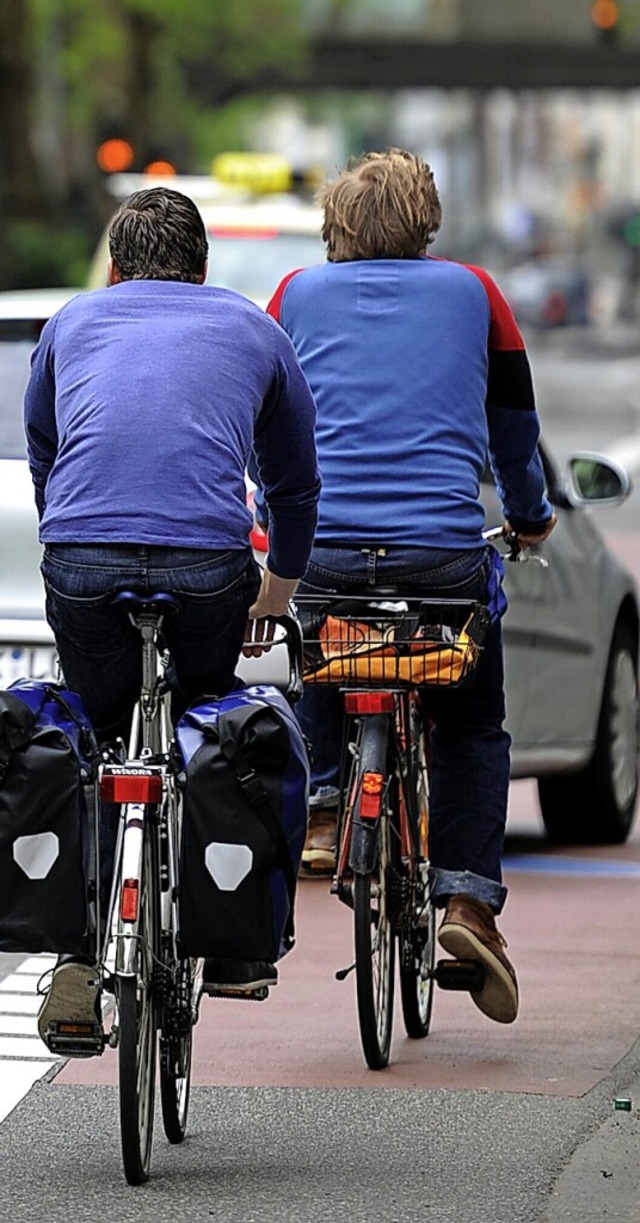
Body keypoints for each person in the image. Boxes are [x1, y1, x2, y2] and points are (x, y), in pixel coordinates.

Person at [265, 148, 556, 1026]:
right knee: (473, 719)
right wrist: (532, 515)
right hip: (442, 561)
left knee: (315, 643)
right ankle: (467, 902)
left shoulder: (294, 296)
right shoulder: (475, 295)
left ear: (335, 224)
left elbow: (268, 426)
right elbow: (514, 431)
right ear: (426, 217)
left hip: (327, 555)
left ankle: (323, 810)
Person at [24, 186, 320, 1040]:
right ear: (202, 268)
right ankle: (229, 943)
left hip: (82, 561)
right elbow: (294, 483)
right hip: (205, 567)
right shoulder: (252, 330)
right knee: (206, 729)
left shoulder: (71, 324)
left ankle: (77, 961)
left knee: (99, 737)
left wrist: (80, 540)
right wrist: (277, 592)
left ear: (115, 268)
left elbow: (47, 455)